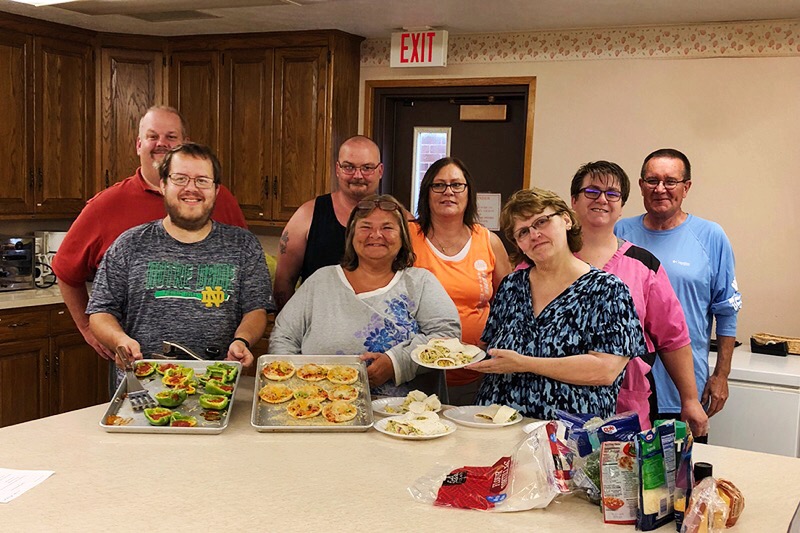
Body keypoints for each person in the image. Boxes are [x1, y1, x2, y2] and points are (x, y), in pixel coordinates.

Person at [52, 106, 247, 361]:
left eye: (171, 137)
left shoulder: (219, 199)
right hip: (136, 361)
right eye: (152, 136)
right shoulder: (105, 206)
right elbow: (65, 271)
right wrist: (88, 328)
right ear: (139, 144)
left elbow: (244, 275)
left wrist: (243, 338)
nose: (161, 143)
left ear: (185, 144)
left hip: (216, 362)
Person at [87, 143, 271, 370]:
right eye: (180, 179)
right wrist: (119, 341)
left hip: (217, 380)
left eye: (202, 180)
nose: (191, 188)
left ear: (216, 190)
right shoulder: (129, 244)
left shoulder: (244, 245)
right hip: (142, 382)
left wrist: (242, 341)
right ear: (163, 185)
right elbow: (100, 312)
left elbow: (256, 310)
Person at [467, 188, 646, 420]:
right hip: (499, 424)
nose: (534, 235)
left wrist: (525, 363)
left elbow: (605, 370)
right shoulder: (512, 285)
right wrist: (454, 352)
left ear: (567, 220)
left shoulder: (607, 290)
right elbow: (490, 348)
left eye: (541, 222)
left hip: (568, 432)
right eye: (523, 232)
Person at [269, 194, 461, 396]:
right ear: (351, 236)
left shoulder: (421, 283)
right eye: (365, 227)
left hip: (407, 412)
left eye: (387, 228)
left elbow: (447, 336)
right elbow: (283, 337)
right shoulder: (320, 281)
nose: (376, 235)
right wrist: (293, 389)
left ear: (403, 237)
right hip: (319, 407)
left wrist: (396, 363)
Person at [569, 160, 708, 436]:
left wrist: (690, 399)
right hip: (557, 400)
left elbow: (673, 338)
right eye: (592, 191)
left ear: (621, 206)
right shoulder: (547, 260)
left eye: (612, 194)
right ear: (574, 200)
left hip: (625, 404)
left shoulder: (643, 266)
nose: (602, 199)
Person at [615, 148, 741, 427]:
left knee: (683, 458)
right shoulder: (619, 233)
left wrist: (721, 375)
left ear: (686, 187)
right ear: (641, 185)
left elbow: (727, 311)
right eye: (652, 181)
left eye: (670, 181)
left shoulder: (710, 236)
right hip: (624, 391)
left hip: (684, 393)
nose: (660, 189)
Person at [410, 157, 511, 405]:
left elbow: (510, 305)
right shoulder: (407, 237)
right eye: (439, 185)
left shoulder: (488, 241)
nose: (448, 192)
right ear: (427, 192)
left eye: (457, 185)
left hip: (475, 374)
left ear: (468, 192)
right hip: (416, 373)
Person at [273, 135, 383, 311]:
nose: (358, 175)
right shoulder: (306, 215)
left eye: (367, 168)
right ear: (337, 169)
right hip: (316, 324)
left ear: (380, 171)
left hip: (378, 324)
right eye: (348, 167)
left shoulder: (399, 220)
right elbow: (283, 282)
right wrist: (292, 323)